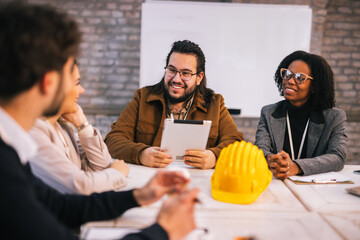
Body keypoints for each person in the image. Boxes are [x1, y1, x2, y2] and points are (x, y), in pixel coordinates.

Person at [0, 3, 199, 240]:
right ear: (49, 82)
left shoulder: (11, 152)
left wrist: (139, 195)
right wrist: (164, 231)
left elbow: (60, 207)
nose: (80, 89)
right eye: (71, 77)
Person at [105, 40, 243, 169]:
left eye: (185, 73)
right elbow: (113, 140)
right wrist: (141, 153)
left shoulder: (215, 104)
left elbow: (236, 144)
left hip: (195, 183)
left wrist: (214, 157)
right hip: (149, 181)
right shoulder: (143, 98)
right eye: (172, 70)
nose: (176, 79)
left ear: (199, 77)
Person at [29, 61, 129, 195]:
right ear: (52, 85)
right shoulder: (34, 131)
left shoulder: (63, 128)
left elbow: (101, 166)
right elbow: (79, 186)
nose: (82, 90)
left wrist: (82, 125)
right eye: (76, 83)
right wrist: (116, 173)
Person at [255, 50, 347, 179]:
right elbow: (260, 149)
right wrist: (271, 159)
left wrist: (296, 167)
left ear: (315, 85)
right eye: (287, 74)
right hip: (278, 183)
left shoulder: (334, 117)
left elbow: (337, 157)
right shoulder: (269, 112)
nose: (290, 81)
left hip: (313, 187)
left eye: (300, 78)